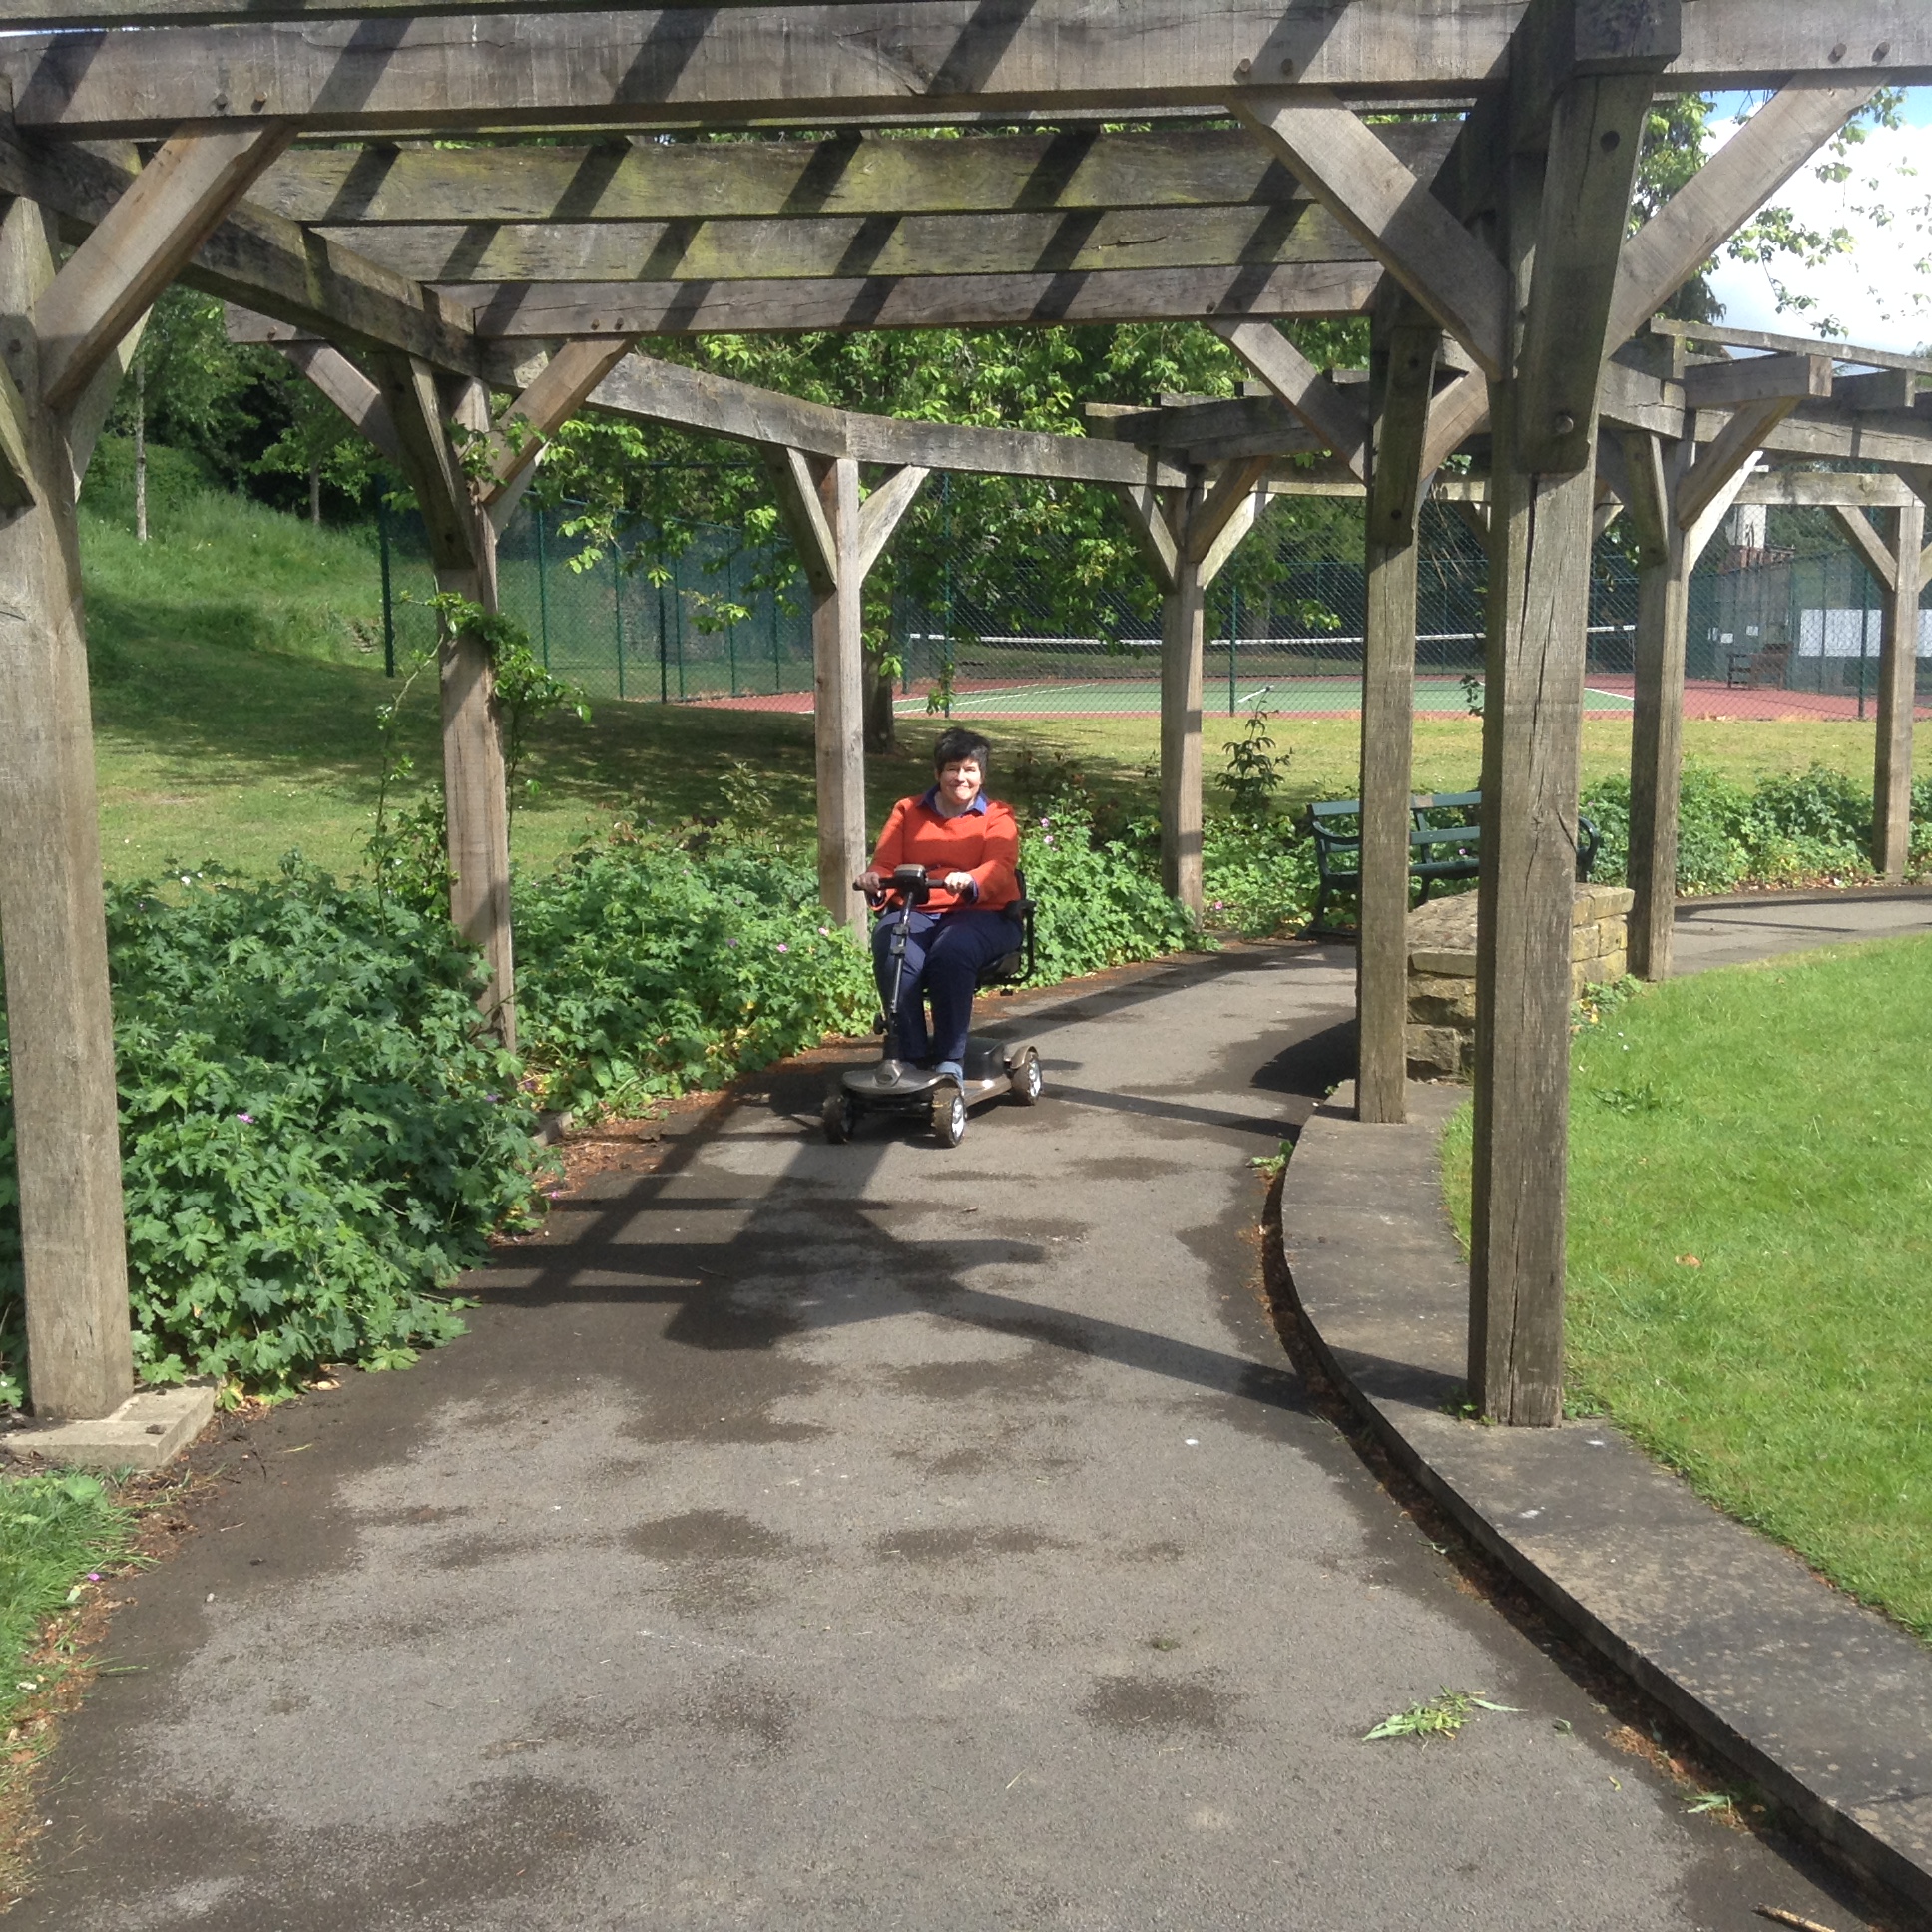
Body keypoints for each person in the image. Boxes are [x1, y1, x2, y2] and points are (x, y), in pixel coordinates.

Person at [857, 727, 1021, 1085]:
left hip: (982, 914)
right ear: (937, 773)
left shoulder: (998, 816)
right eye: (952, 769)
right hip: (917, 909)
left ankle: (950, 1057)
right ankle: (910, 1054)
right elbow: (885, 863)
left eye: (970, 770)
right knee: (893, 945)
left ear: (981, 776)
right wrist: (875, 879)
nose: (960, 778)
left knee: (952, 952)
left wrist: (971, 880)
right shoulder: (907, 811)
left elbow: (1000, 866)